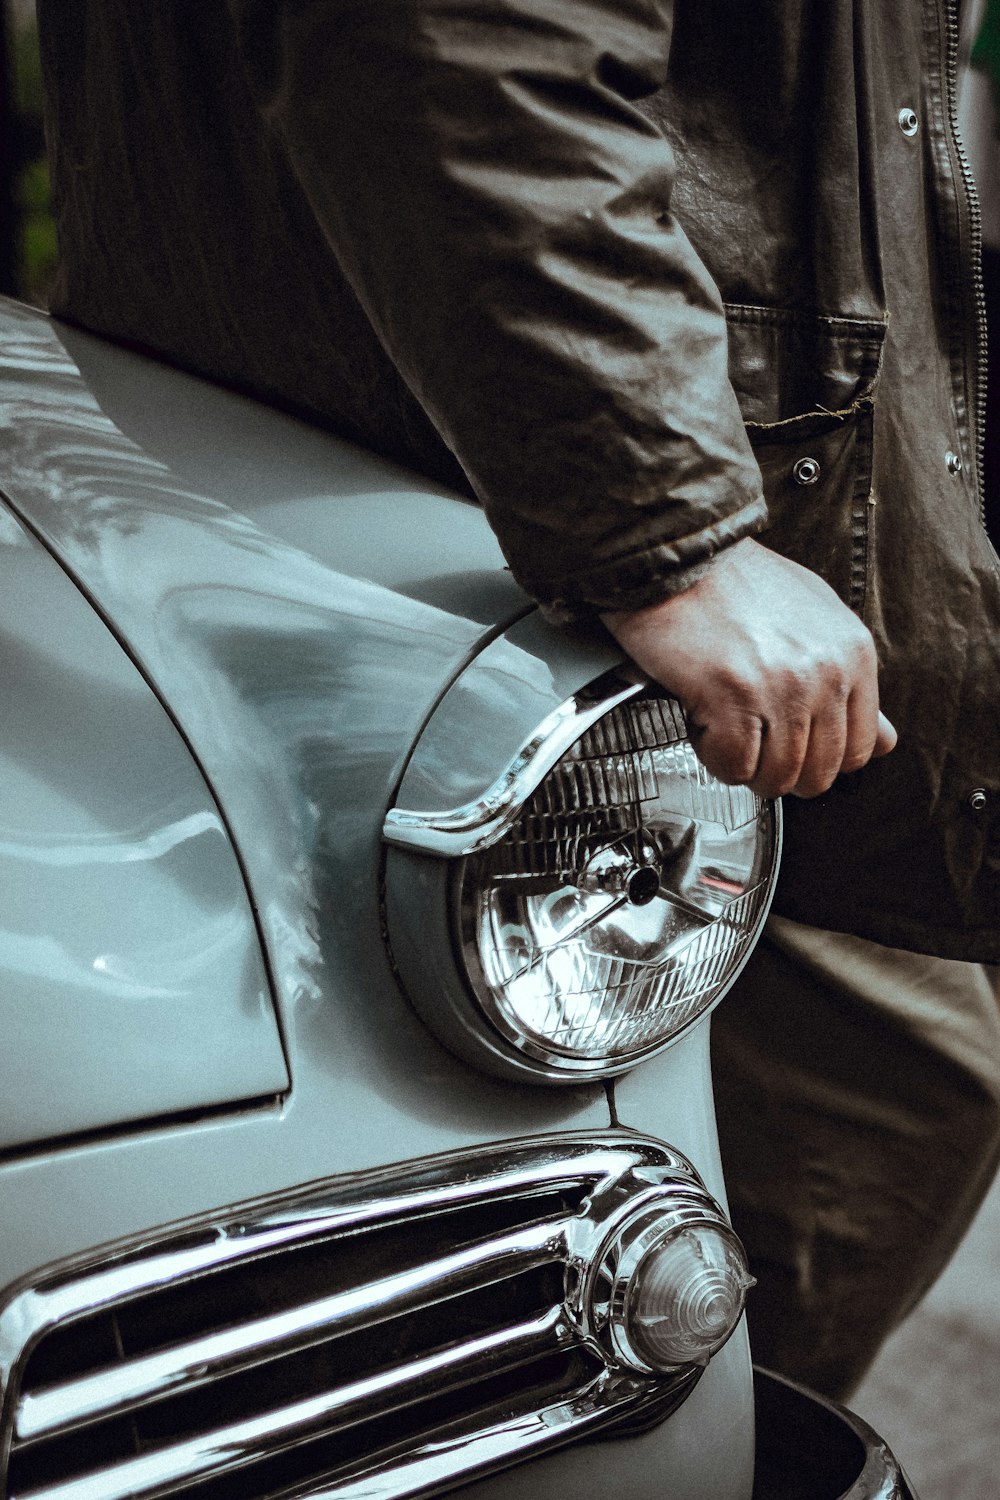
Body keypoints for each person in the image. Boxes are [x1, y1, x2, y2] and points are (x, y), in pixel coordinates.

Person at [35, 1, 1000, 1397]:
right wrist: (672, 537)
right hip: (530, 512)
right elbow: (459, 41)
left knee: (865, 1104)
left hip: (514, 466)